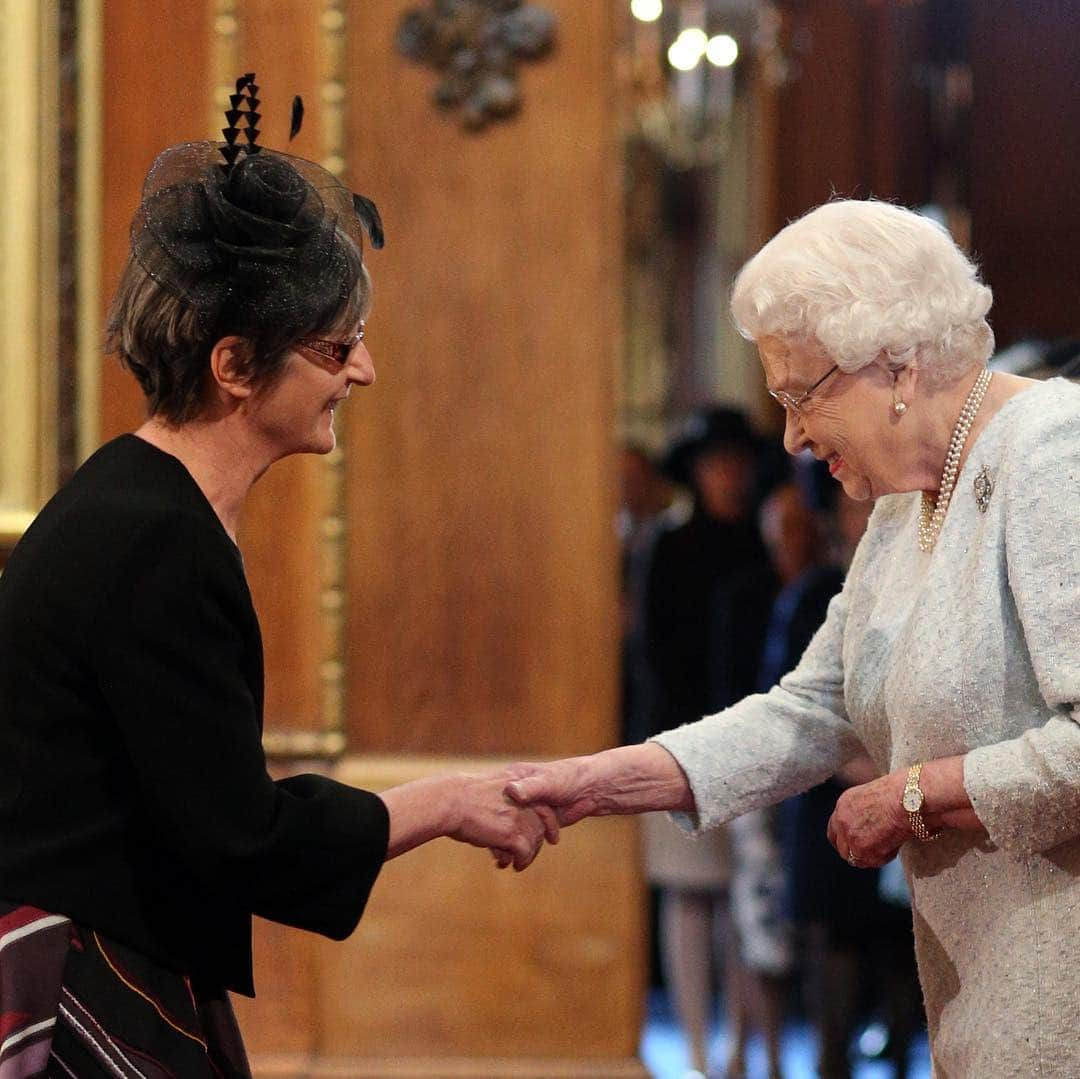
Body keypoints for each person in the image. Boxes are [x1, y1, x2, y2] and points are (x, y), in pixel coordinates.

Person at [0, 76, 554, 1077]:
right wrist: (444, 802)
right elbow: (239, 835)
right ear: (235, 365)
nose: (365, 370)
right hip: (82, 983)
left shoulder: (145, 505)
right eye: (336, 345)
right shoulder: (148, 537)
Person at [504, 199, 1080, 1077]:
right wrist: (602, 779)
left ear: (895, 363)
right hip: (987, 1005)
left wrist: (913, 795)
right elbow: (812, 707)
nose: (793, 437)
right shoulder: (904, 500)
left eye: (799, 395)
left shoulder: (1052, 453)